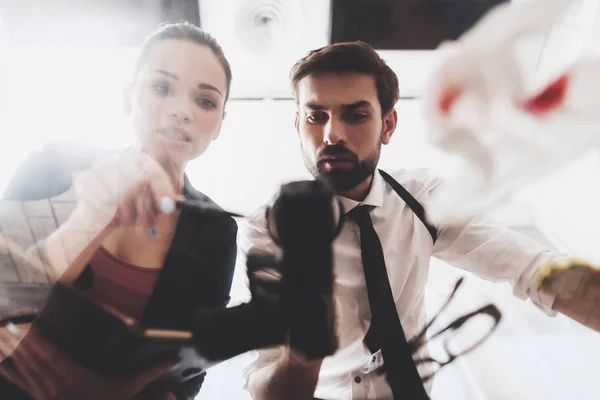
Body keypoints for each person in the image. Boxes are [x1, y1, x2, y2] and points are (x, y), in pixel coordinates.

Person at [239, 41, 600, 400]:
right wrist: (304, 351)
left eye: (355, 114)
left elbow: (533, 268)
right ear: (298, 124)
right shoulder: (270, 232)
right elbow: (264, 385)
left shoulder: (423, 200)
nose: (332, 134)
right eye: (316, 116)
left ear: (388, 125)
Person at [0, 22, 237, 399]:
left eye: (205, 101)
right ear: (128, 96)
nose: (181, 110)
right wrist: (88, 219)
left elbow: (187, 374)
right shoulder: (53, 164)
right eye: (162, 88)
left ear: (220, 123)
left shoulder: (217, 229)